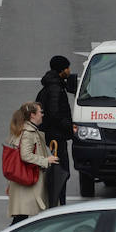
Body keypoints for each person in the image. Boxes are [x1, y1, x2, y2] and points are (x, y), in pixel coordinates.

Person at [5, 102, 57, 225]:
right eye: (40, 112)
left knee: (22, 217)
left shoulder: (27, 130)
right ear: (32, 115)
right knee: (25, 218)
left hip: (25, 181)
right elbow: (25, 155)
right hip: (29, 182)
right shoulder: (28, 133)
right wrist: (46, 161)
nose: (42, 115)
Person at [34, 55, 75, 206]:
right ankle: (59, 202)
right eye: (67, 68)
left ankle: (58, 201)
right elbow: (55, 113)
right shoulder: (55, 88)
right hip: (57, 136)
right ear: (61, 70)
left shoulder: (52, 85)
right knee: (61, 171)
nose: (69, 71)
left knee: (59, 170)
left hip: (53, 134)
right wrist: (69, 127)